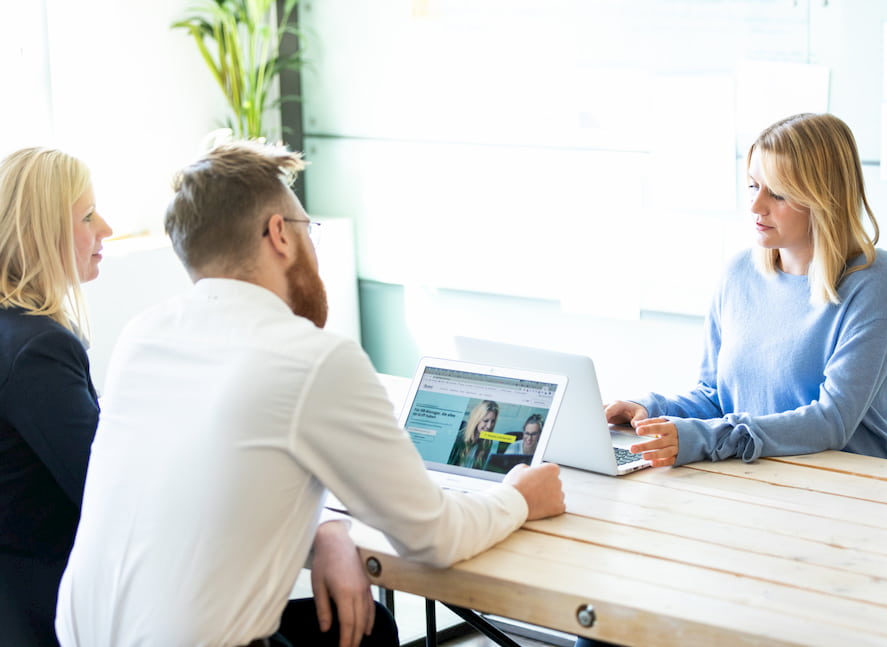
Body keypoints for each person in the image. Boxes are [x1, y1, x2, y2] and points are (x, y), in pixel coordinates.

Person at [55, 140, 566, 647]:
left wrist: (331, 529)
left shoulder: (143, 337)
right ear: (279, 234)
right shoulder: (313, 358)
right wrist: (519, 495)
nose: (313, 247)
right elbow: (436, 537)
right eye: (308, 229)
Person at [607, 112, 887, 470]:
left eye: (778, 193)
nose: (755, 206)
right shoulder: (739, 273)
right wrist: (652, 412)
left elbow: (832, 421)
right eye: (753, 186)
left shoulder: (873, 278)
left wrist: (705, 438)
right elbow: (717, 397)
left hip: (854, 485)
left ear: (824, 198)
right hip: (760, 477)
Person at [0, 147, 113, 647]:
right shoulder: (40, 348)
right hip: (52, 612)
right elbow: (107, 490)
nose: (106, 228)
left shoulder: (14, 332)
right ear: (37, 234)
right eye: (88, 216)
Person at [448, 399, 499, 468]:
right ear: (476, 420)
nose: (489, 426)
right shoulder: (458, 438)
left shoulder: (487, 442)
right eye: (486, 421)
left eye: (493, 421)